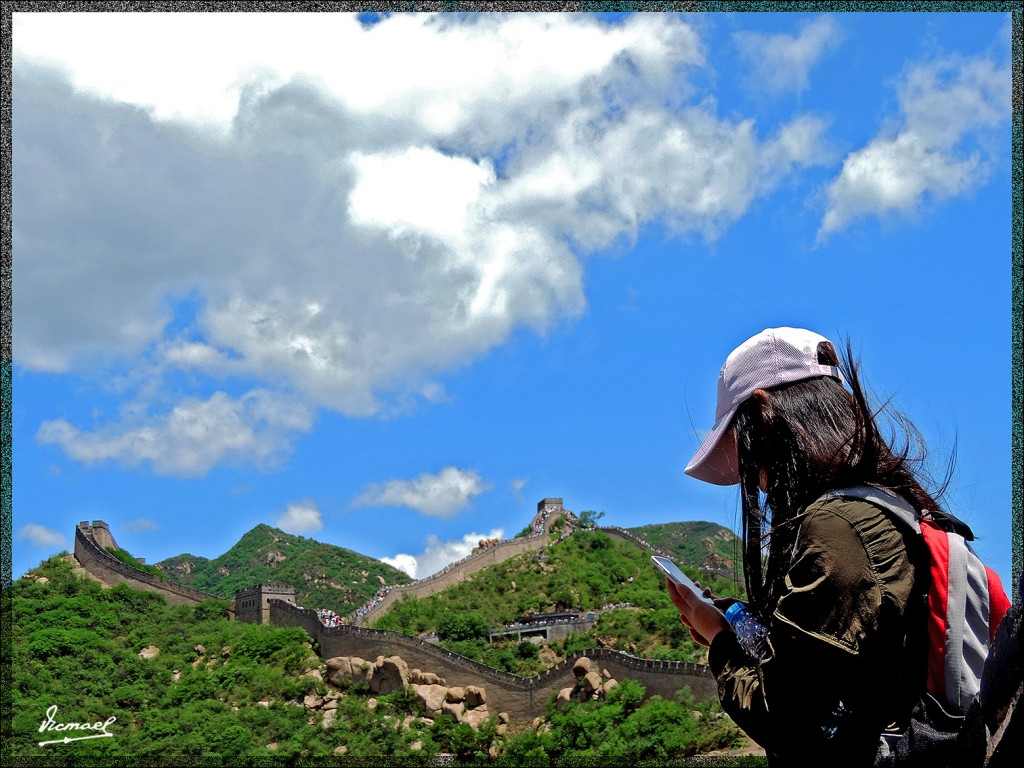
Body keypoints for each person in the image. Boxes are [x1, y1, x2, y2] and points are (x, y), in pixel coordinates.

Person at [668, 327, 990, 767]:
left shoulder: (837, 529)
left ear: (764, 413)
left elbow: (785, 719)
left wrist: (718, 639)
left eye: (747, 452)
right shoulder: (889, 509)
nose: (756, 479)